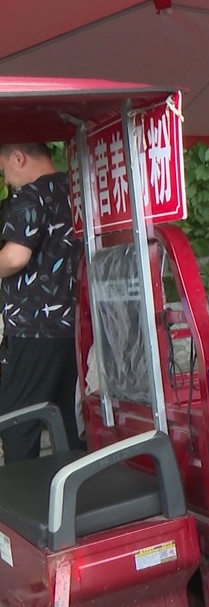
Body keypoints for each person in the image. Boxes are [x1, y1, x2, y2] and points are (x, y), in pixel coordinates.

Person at [0, 142, 84, 463]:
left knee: (18, 421)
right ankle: (71, 495)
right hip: (72, 327)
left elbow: (15, 256)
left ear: (18, 157)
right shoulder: (74, 191)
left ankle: (22, 501)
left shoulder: (30, 195)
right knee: (67, 420)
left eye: (4, 168)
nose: (6, 180)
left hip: (34, 327)